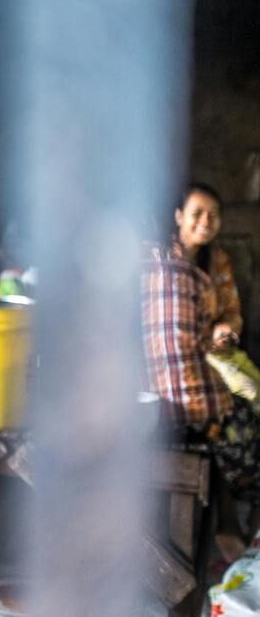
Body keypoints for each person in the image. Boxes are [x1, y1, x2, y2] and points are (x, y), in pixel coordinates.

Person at [142, 182, 260, 561]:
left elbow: (231, 314)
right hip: (161, 367)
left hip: (208, 355)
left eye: (213, 215)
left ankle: (236, 523)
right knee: (225, 419)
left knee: (245, 409)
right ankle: (227, 523)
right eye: (197, 213)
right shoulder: (155, 258)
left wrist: (226, 330)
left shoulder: (217, 261)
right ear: (178, 217)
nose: (205, 222)